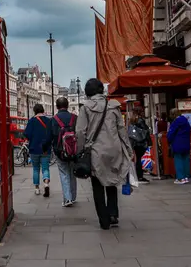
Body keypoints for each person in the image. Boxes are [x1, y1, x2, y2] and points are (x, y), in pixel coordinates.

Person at [76, 79, 134, 230]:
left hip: (96, 150)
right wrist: (128, 149)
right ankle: (113, 213)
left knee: (98, 184)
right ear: (101, 90)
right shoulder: (113, 106)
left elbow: (80, 132)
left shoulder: (85, 108)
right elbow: (121, 130)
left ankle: (104, 220)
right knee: (112, 180)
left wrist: (80, 150)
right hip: (114, 149)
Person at [49, 97, 77, 207]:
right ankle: (73, 197)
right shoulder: (74, 118)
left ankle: (67, 199)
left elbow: (49, 136)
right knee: (72, 173)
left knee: (64, 173)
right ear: (68, 105)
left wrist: (46, 148)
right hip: (73, 151)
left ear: (56, 106)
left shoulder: (53, 119)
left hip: (59, 151)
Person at [23, 104, 51, 197]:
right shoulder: (48, 120)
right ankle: (46, 183)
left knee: (35, 169)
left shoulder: (32, 121)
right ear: (43, 110)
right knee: (45, 168)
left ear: (34, 111)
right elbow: (51, 134)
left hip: (34, 148)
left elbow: (27, 134)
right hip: (45, 148)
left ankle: (37, 189)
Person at [167, 108, 191, 184]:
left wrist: (169, 140)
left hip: (177, 143)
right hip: (186, 142)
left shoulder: (175, 122)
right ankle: (186, 177)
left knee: (178, 160)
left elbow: (171, 133)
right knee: (186, 160)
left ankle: (181, 178)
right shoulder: (186, 121)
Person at [130, 110, 151, 184]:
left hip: (135, 142)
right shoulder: (140, 120)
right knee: (139, 159)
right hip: (141, 142)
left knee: (138, 158)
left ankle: (138, 175)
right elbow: (145, 131)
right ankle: (140, 176)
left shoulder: (132, 119)